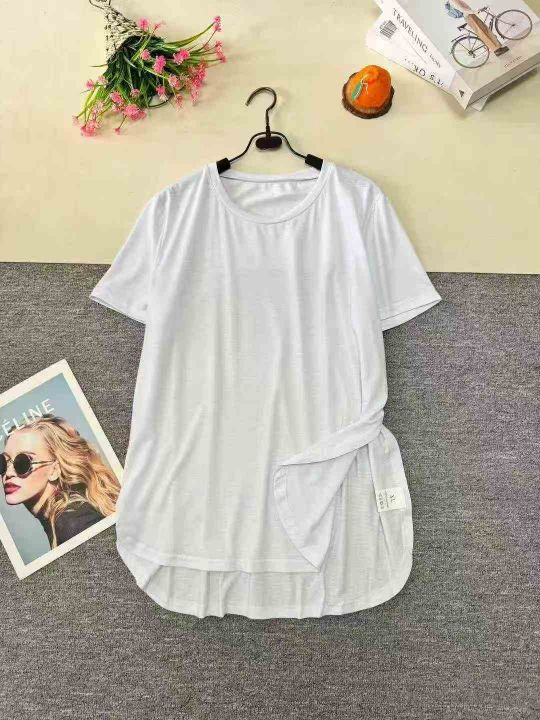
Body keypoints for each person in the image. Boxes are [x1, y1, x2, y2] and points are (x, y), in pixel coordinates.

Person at [1, 414, 120, 549]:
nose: (8, 473)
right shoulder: (65, 518)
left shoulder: (74, 525)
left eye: (22, 462)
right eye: (3, 462)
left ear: (54, 470)